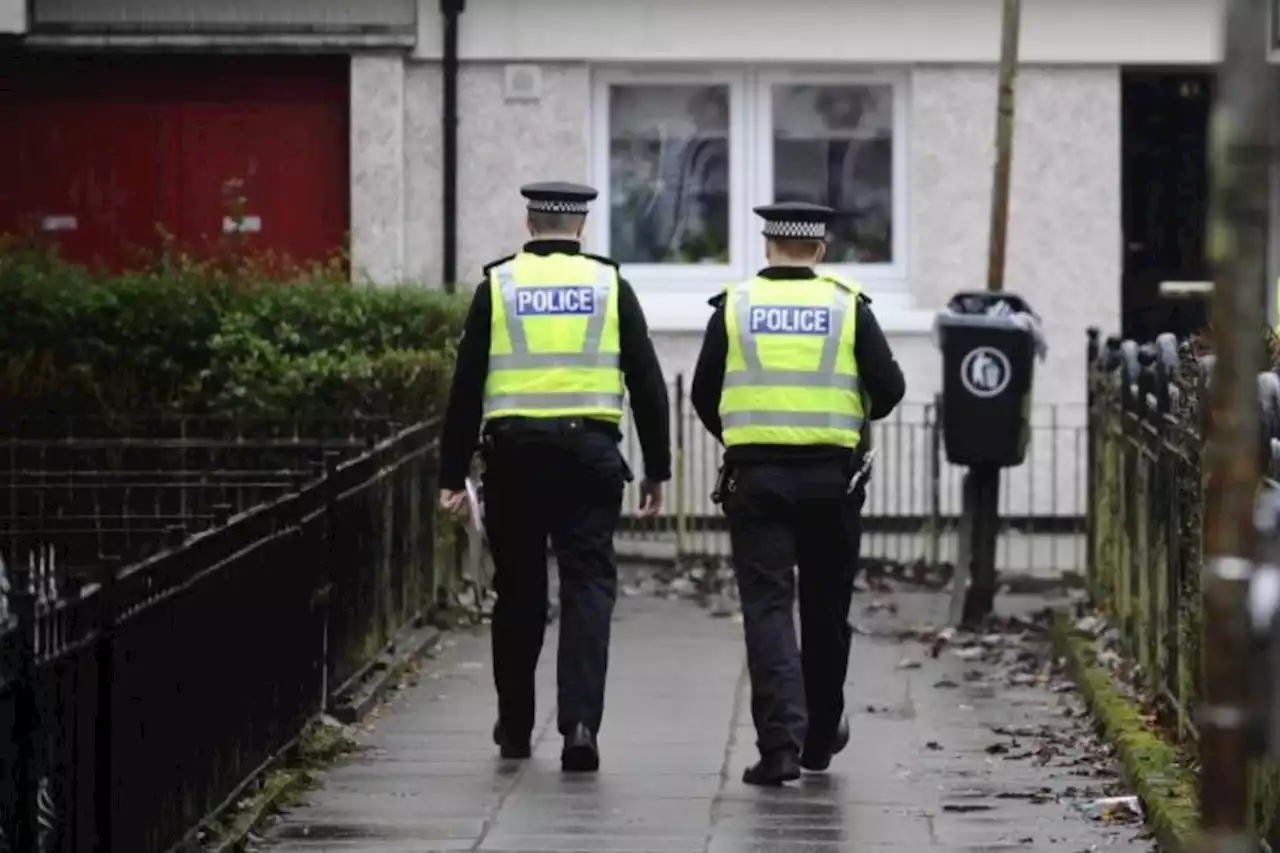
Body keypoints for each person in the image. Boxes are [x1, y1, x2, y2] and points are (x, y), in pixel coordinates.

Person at [437, 181, 671, 773]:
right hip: (589, 458)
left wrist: (451, 471)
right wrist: (657, 470)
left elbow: (466, 387)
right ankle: (581, 726)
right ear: (581, 228)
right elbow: (647, 382)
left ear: (529, 223)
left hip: (514, 460)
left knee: (517, 591)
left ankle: (516, 727)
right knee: (588, 586)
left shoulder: (500, 285)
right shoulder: (609, 285)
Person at [690, 201, 905, 786]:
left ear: (767, 247)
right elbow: (889, 388)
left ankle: (779, 747)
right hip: (832, 481)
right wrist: (844, 417)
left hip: (757, 480)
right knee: (826, 608)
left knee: (767, 608)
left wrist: (747, 433)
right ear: (819, 250)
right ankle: (819, 736)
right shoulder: (845, 306)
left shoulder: (735, 306)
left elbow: (704, 393)